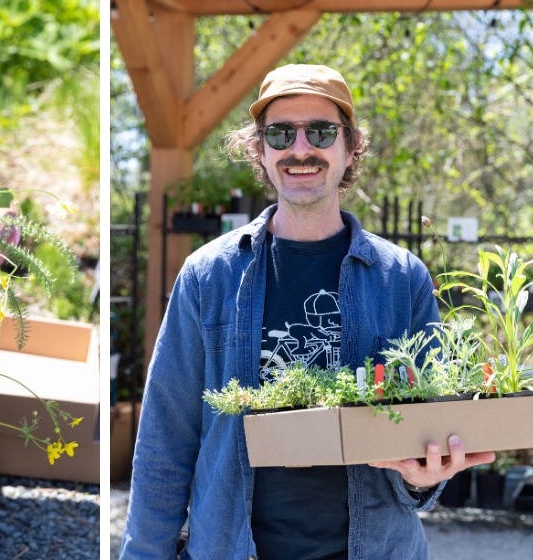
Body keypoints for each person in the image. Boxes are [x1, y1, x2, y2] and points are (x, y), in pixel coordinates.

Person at [119, 64, 495, 560]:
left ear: (350, 146)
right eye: (280, 133)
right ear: (260, 148)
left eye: (320, 131)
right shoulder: (208, 277)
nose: (300, 149)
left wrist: (423, 478)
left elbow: (431, 436)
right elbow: (164, 447)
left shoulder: (401, 278)